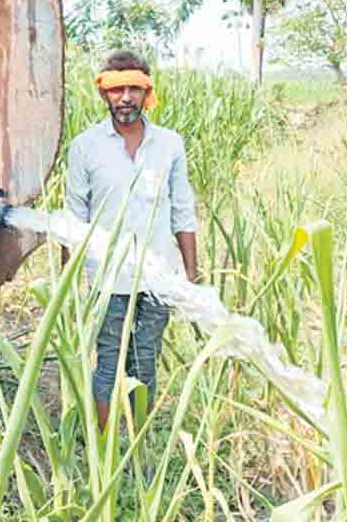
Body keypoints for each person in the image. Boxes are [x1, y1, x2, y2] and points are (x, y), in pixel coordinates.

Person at [64, 50, 198, 430]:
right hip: (107, 278)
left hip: (159, 275)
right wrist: (69, 281)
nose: (125, 98)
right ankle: (103, 445)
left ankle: (138, 448)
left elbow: (183, 209)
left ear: (147, 92)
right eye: (117, 89)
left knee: (145, 360)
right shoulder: (85, 147)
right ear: (104, 94)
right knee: (108, 360)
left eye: (134, 89)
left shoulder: (169, 144)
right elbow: (74, 217)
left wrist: (191, 272)